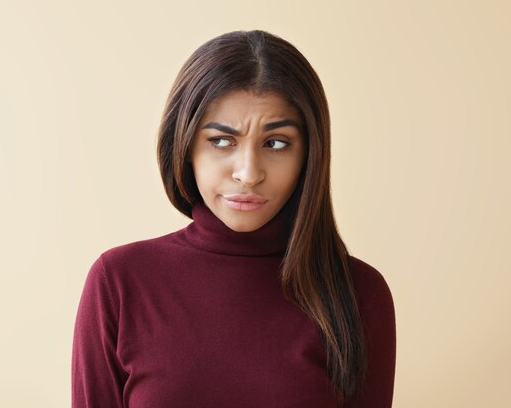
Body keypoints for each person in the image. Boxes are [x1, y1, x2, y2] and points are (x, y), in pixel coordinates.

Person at [71, 30, 396, 408]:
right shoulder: (119, 282)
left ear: (309, 155)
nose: (248, 172)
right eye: (221, 141)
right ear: (185, 145)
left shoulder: (358, 295)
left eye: (276, 143)